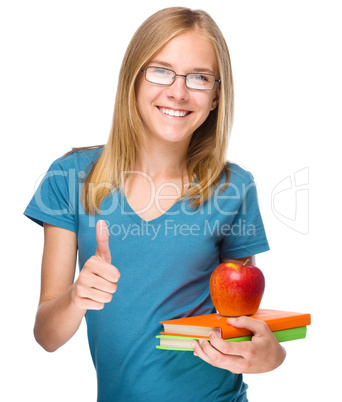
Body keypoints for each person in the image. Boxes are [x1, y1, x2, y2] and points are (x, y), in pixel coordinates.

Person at [24, 7, 286, 401]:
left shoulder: (234, 188)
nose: (178, 91)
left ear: (216, 95)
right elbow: (46, 336)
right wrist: (78, 296)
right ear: (133, 78)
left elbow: (243, 322)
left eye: (199, 77)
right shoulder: (70, 178)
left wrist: (271, 356)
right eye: (160, 70)